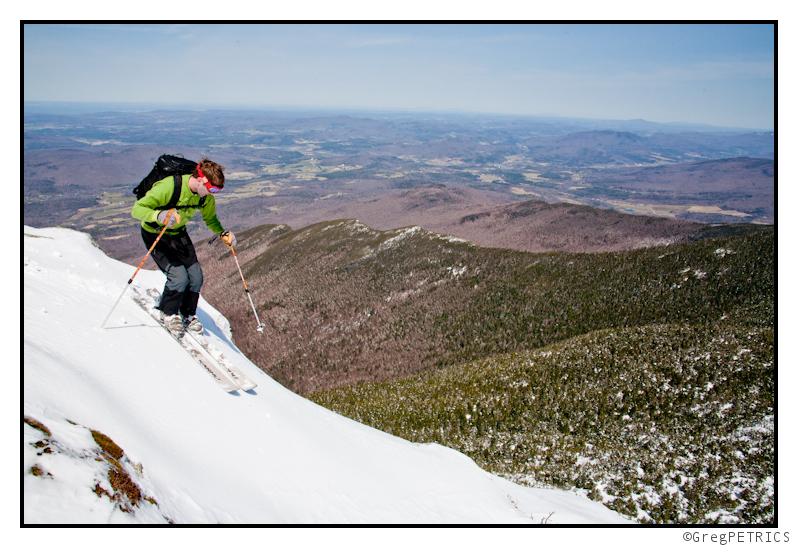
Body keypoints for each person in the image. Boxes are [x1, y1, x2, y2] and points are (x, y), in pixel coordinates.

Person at [131, 157, 236, 336]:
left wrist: (222, 233)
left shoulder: (204, 197)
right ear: (201, 180)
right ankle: (168, 312)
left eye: (217, 190)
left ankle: (188, 313)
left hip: (178, 233)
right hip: (156, 233)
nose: (213, 193)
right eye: (211, 188)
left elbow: (210, 219)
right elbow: (137, 209)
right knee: (179, 276)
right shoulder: (170, 186)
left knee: (196, 276)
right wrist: (159, 215)